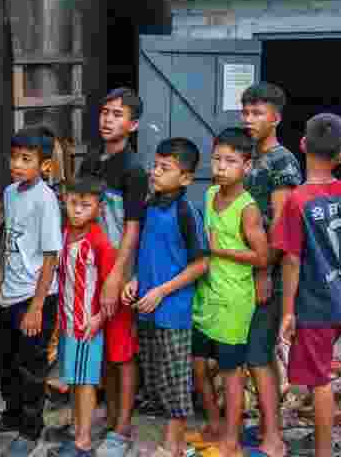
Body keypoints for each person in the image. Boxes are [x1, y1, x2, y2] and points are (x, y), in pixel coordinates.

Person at [276, 113, 341, 457]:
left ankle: (323, 451)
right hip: (340, 299)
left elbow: (292, 260)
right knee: (320, 369)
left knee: (319, 380)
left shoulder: (297, 200)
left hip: (313, 304)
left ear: (301, 146)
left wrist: (287, 311)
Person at [122, 137, 209, 457]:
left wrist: (161, 290)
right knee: (157, 376)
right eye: (155, 165)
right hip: (147, 307)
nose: (155, 172)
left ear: (185, 177)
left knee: (175, 379)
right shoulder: (149, 205)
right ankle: (174, 440)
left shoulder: (187, 212)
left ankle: (173, 445)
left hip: (173, 310)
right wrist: (134, 280)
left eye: (165, 168)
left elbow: (202, 263)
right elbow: (148, 252)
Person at [0, 126, 62, 457]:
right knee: (4, 359)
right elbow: (10, 239)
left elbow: (50, 257)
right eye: (14, 157)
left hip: (36, 297)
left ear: (44, 166)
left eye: (26, 159)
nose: (16, 164)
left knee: (31, 366)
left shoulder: (46, 200)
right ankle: (12, 416)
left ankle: (30, 430)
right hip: (11, 294)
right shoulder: (12, 193)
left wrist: (37, 307)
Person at [76, 88, 147, 457]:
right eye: (104, 112)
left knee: (122, 351)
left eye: (117, 114)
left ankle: (122, 428)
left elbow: (133, 229)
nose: (107, 119)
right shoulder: (91, 162)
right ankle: (108, 416)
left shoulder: (134, 171)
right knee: (101, 350)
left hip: (118, 271)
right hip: (89, 267)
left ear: (133, 124)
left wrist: (117, 276)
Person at [193, 128, 268, 457]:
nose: (221, 167)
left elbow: (262, 256)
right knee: (197, 365)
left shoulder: (247, 208)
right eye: (217, 159)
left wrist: (219, 251)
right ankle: (213, 425)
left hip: (234, 300)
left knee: (231, 374)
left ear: (246, 167)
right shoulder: (210, 194)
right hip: (206, 294)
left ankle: (231, 440)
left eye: (230, 161)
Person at [237, 83, 303, 457]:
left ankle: (274, 440)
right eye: (245, 112)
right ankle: (264, 427)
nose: (249, 119)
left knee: (259, 354)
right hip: (245, 270)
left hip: (270, 274)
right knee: (252, 353)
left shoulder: (282, 162)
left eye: (257, 113)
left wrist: (265, 272)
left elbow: (281, 226)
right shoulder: (249, 157)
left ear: (275, 118)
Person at [51, 175, 117, 457]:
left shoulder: (100, 243)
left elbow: (109, 289)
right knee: (75, 381)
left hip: (87, 325)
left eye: (85, 205)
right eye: (73, 203)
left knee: (86, 382)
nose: (78, 210)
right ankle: (77, 431)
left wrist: (99, 319)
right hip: (68, 323)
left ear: (98, 209)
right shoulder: (65, 234)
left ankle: (84, 442)